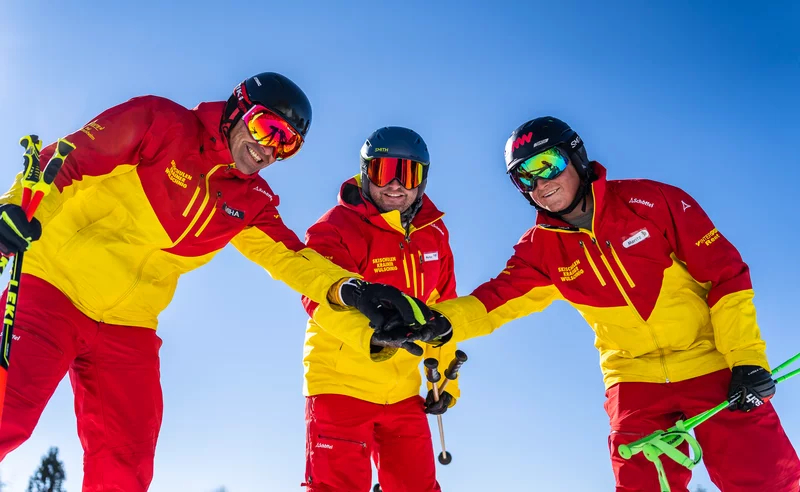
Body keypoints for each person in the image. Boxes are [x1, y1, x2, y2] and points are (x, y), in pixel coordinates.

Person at [0, 72, 428, 491]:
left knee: (125, 461)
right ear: (236, 108)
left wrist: (354, 291)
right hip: (53, 286)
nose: (268, 150)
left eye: (287, 144)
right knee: (7, 417)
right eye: (267, 128)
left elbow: (292, 258)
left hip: (128, 324)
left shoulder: (250, 200)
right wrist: (16, 207)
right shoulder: (161, 124)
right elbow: (70, 158)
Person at [396, 116, 800, 491]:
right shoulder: (541, 250)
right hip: (632, 376)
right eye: (524, 177)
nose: (539, 183)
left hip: (709, 360)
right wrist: (432, 322)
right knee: (640, 481)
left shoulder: (653, 203)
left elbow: (725, 277)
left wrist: (746, 358)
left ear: (576, 156)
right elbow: (493, 303)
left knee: (767, 475)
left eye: (547, 164)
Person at [300, 127, 459, 492]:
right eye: (384, 170)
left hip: (403, 391)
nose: (396, 185)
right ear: (365, 172)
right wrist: (374, 336)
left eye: (409, 174)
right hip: (341, 385)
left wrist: (448, 382)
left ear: (423, 181)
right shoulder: (336, 227)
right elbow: (316, 296)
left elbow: (444, 311)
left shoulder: (433, 234)